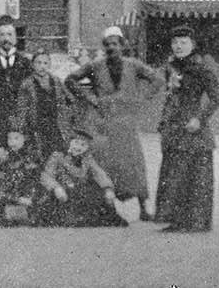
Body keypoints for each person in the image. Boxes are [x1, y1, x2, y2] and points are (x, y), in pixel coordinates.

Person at [65, 25, 162, 221]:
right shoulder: (95, 66)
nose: (111, 48)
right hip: (104, 123)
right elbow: (70, 80)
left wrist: (142, 97)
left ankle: (143, 207)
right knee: (106, 164)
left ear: (122, 45)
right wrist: (90, 99)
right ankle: (107, 207)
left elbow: (157, 79)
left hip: (127, 123)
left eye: (115, 44)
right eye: (108, 44)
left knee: (135, 165)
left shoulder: (133, 65)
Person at [155, 25, 219, 233]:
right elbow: (170, 97)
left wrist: (200, 119)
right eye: (175, 42)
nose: (178, 46)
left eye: (183, 42)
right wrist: (164, 122)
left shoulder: (201, 69)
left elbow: (216, 99)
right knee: (174, 175)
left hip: (194, 130)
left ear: (193, 45)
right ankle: (177, 220)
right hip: (174, 129)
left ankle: (197, 222)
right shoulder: (171, 68)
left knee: (196, 176)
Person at [36, 128, 126, 227]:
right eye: (76, 143)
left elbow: (99, 173)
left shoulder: (87, 159)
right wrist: (56, 187)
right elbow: (46, 175)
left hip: (80, 191)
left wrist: (108, 188)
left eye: (83, 145)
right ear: (69, 143)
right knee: (55, 207)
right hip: (62, 190)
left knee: (96, 200)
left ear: (87, 148)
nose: (78, 147)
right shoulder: (58, 156)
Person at [0, 18, 32, 149]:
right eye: (2, 34)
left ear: (15, 38)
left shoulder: (25, 63)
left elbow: (29, 90)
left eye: (9, 34)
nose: (6, 38)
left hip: (19, 113)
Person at [13, 48, 74, 160]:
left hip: (56, 126)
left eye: (45, 63)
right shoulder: (27, 84)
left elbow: (70, 99)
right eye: (39, 63)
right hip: (37, 127)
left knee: (59, 156)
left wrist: (66, 116)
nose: (42, 66)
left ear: (50, 64)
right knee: (41, 156)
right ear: (32, 64)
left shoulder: (56, 81)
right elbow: (21, 109)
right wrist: (21, 130)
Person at [0, 129, 41, 226]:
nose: (12, 142)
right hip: (10, 194)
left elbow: (33, 179)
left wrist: (28, 196)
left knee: (1, 198)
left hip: (24, 195)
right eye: (9, 138)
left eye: (16, 138)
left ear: (24, 139)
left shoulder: (30, 157)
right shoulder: (6, 157)